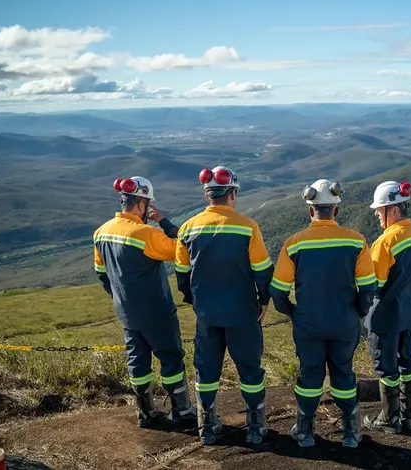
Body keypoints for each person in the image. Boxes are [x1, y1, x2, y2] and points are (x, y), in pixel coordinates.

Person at [270, 179, 377, 449]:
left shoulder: (294, 244)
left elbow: (278, 291)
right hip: (345, 323)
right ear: (336, 210)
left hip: (309, 324)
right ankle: (351, 432)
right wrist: (359, 312)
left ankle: (304, 431)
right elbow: (368, 289)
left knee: (309, 377)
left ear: (310, 210)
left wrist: (292, 312)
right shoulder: (356, 241)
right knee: (344, 374)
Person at [174, 166, 274, 445]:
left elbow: (182, 275)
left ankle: (206, 427)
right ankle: (255, 426)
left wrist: (195, 300)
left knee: (206, 370)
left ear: (208, 195)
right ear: (231, 193)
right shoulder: (248, 227)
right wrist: (263, 300)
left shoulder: (187, 228)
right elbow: (262, 270)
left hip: (207, 314)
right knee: (250, 370)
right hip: (242, 312)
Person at [93, 176, 197, 429]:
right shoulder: (146, 233)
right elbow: (184, 249)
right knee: (171, 358)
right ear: (141, 204)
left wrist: (121, 298)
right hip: (156, 309)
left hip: (126, 312)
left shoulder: (101, 231)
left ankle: (146, 413)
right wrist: (162, 221)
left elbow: (101, 273)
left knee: (137, 360)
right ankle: (182, 411)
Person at [363, 180, 411, 434]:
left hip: (385, 315)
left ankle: (389, 420)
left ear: (392, 210)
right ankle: (409, 415)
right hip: (410, 310)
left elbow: (374, 283)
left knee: (386, 367)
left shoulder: (385, 242)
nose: (377, 216)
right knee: (408, 363)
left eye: (379, 211)